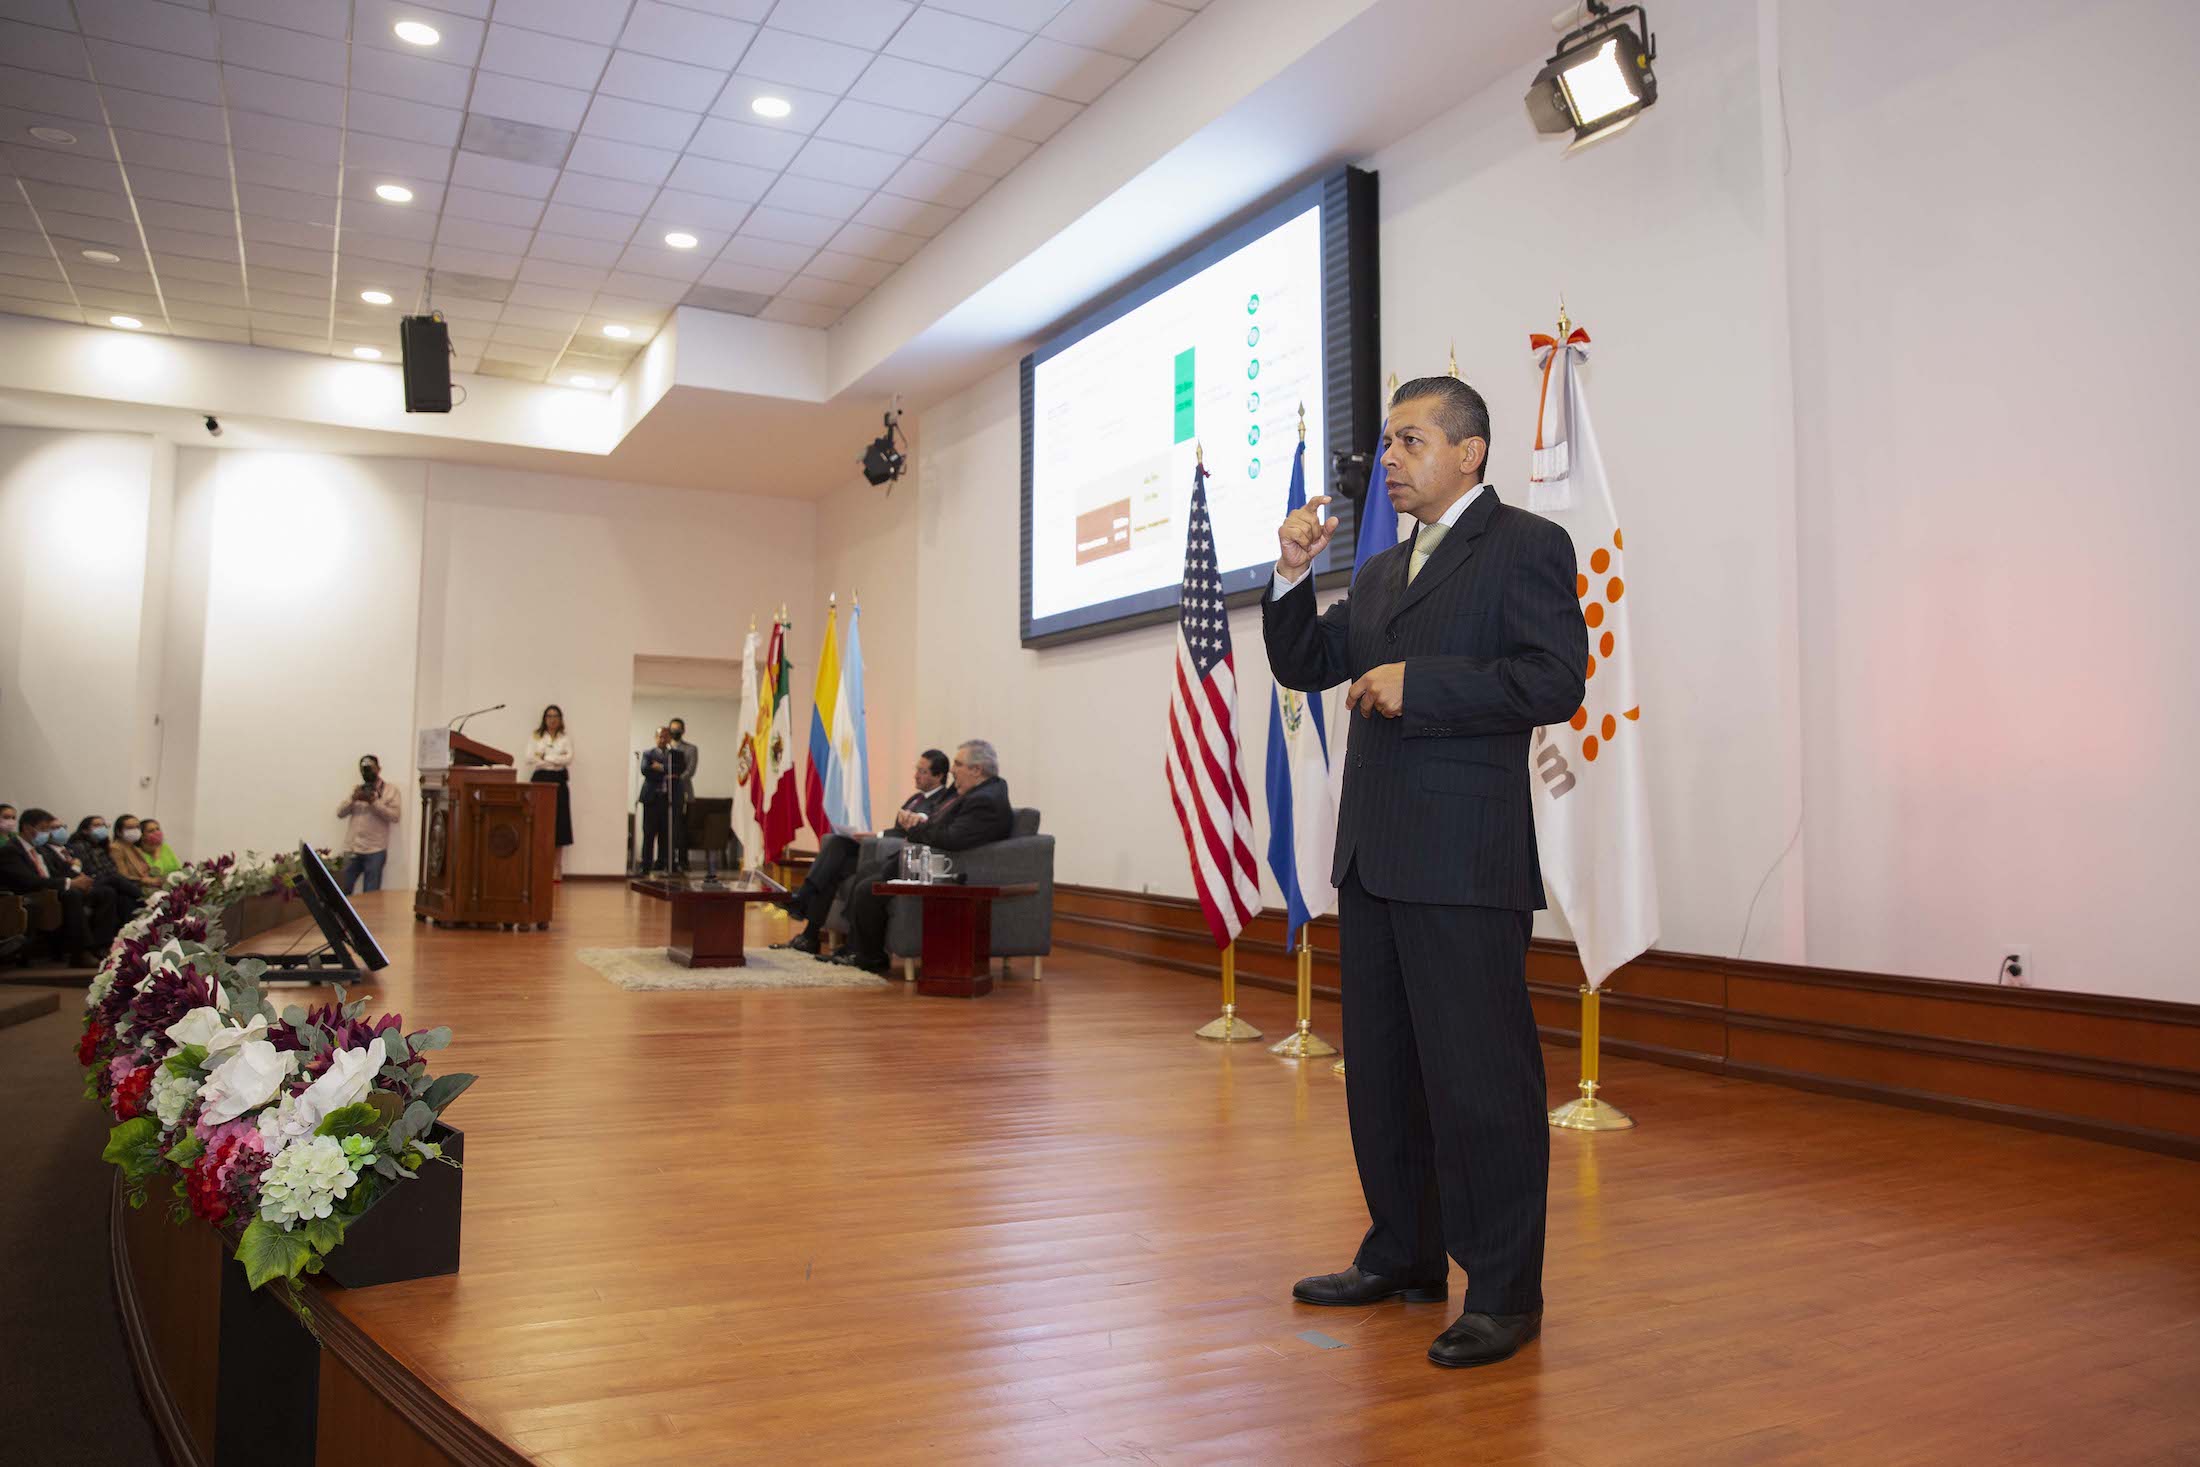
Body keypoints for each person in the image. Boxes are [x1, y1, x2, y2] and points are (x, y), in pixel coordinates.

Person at [1263, 375, 1587, 1371]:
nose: (1389, 462)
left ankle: (1503, 1291)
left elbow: (1553, 679)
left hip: (1463, 861)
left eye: (1409, 442)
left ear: (1469, 451)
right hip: (1373, 858)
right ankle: (1402, 1254)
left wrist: (1424, 686)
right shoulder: (1377, 573)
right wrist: (1287, 578)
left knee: (1480, 1084)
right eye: (1388, 445)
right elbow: (1306, 662)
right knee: (1388, 1082)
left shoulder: (1527, 546)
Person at [831, 740, 1014, 975]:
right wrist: (918, 825)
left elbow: (952, 839)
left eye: (958, 764)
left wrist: (914, 829)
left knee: (870, 887)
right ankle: (855, 949)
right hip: (926, 857)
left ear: (977, 770)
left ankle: (870, 957)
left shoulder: (984, 801)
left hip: (941, 868)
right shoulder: (977, 793)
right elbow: (944, 827)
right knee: (868, 870)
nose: (952, 770)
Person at [773, 749, 953, 955]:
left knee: (835, 865)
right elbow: (897, 830)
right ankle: (808, 931)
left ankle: (804, 910)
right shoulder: (915, 799)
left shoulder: (942, 802)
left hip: (893, 860)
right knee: (836, 844)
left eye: (923, 771)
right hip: (883, 846)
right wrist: (871, 835)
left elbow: (918, 831)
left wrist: (876, 836)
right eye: (917, 770)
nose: (916, 775)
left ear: (938, 776)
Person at [0, 805, 121, 965]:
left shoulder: (42, 849)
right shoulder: (11, 850)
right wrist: (70, 883)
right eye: (43, 829)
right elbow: (28, 881)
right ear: (28, 828)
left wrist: (81, 879)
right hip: (31, 894)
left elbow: (62, 870)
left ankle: (101, 945)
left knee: (106, 892)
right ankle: (79, 952)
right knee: (72, 894)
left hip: (53, 890)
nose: (47, 834)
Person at [335, 754, 402, 895]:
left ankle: (368, 918)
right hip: (353, 848)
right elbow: (340, 813)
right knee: (341, 890)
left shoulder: (390, 790)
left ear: (379, 769)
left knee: (370, 895)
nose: (367, 772)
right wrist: (353, 799)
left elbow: (395, 816)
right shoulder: (358, 790)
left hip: (375, 850)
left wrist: (373, 802)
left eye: (370, 769)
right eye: (363, 769)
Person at [526, 704, 574, 879]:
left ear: (560, 719)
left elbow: (568, 758)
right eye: (549, 716)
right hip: (540, 780)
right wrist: (556, 759)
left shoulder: (565, 738)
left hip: (559, 781)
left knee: (559, 823)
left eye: (555, 716)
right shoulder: (536, 736)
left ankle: (556, 867)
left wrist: (546, 757)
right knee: (539, 822)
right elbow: (530, 758)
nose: (552, 719)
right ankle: (539, 865)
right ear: (544, 719)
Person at [68, 815, 143, 923]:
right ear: (84, 830)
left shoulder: (100, 846)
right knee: (115, 879)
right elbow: (89, 871)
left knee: (124, 897)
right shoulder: (79, 845)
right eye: (97, 825)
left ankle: (130, 931)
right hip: (90, 882)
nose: (102, 828)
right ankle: (145, 899)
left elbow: (111, 868)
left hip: (105, 881)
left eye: (103, 825)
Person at [636, 727, 686, 875]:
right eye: (659, 737)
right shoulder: (648, 753)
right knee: (649, 833)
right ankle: (645, 866)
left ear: (670, 738)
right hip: (652, 799)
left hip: (669, 800)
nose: (662, 740)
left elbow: (679, 770)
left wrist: (661, 767)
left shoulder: (676, 754)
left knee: (666, 834)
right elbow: (646, 770)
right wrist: (667, 773)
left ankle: (664, 864)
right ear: (655, 738)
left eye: (665, 737)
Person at [666, 717, 698, 873]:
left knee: (681, 828)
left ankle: (683, 861)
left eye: (678, 729)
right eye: (672, 729)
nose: (675, 732)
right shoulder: (664, 747)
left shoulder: (691, 749)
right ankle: (667, 860)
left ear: (683, 730)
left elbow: (690, 771)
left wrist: (677, 778)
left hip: (683, 792)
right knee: (667, 828)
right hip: (665, 793)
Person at [109, 813, 163, 895]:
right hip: (131, 892)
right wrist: (146, 881)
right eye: (130, 828)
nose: (135, 830)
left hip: (146, 888)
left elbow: (147, 871)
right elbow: (122, 877)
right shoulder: (116, 848)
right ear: (119, 832)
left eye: (137, 827)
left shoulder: (135, 848)